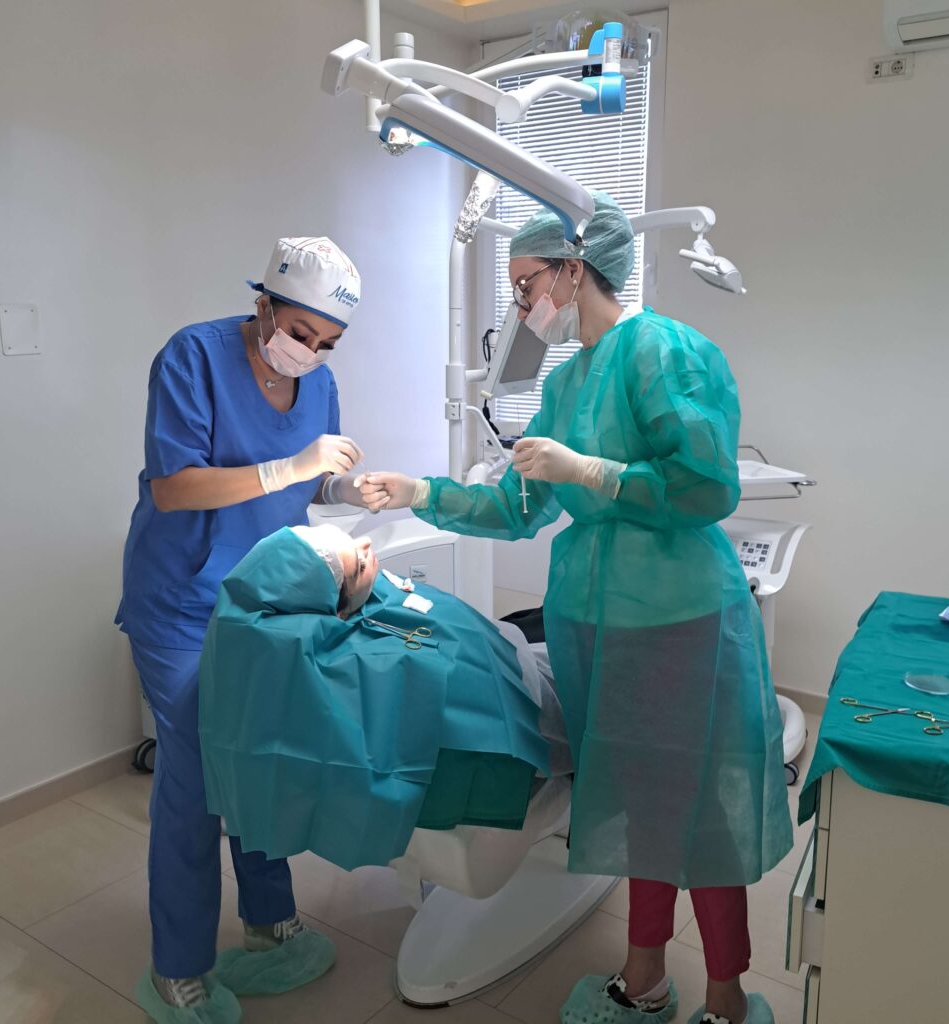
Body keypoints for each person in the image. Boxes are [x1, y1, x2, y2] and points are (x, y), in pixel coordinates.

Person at [359, 193, 793, 1024]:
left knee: (698, 809)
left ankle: (729, 999)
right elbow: (516, 506)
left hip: (678, 620)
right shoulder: (566, 383)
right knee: (640, 803)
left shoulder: (662, 348)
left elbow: (707, 486)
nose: (524, 308)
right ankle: (644, 979)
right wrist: (419, 492)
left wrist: (596, 472)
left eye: (528, 286)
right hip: (596, 624)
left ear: (573, 268)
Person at [116, 237, 371, 1024]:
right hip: (180, 601)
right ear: (264, 302)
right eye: (301, 331)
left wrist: (341, 488)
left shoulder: (317, 382)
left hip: (263, 593)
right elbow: (173, 488)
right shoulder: (193, 357)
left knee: (260, 759)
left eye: (327, 343)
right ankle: (179, 965)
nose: (310, 353)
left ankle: (269, 921)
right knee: (195, 780)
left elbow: (306, 480)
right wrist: (290, 468)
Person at [198, 523, 568, 875]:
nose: (366, 546)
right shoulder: (386, 668)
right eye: (359, 566)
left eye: (351, 539)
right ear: (338, 609)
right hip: (528, 712)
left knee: (537, 626)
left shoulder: (308, 640)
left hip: (512, 659)